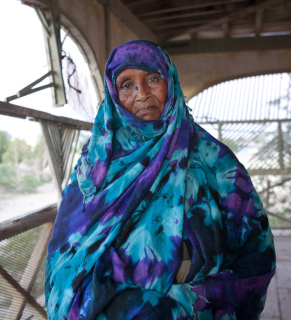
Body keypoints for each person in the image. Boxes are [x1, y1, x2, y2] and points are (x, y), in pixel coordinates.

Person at [45, 40, 275, 320]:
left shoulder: (213, 158)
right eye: (127, 85)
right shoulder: (96, 163)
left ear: (171, 83)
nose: (141, 93)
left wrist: (198, 297)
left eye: (152, 79)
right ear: (114, 95)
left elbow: (256, 247)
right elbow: (68, 253)